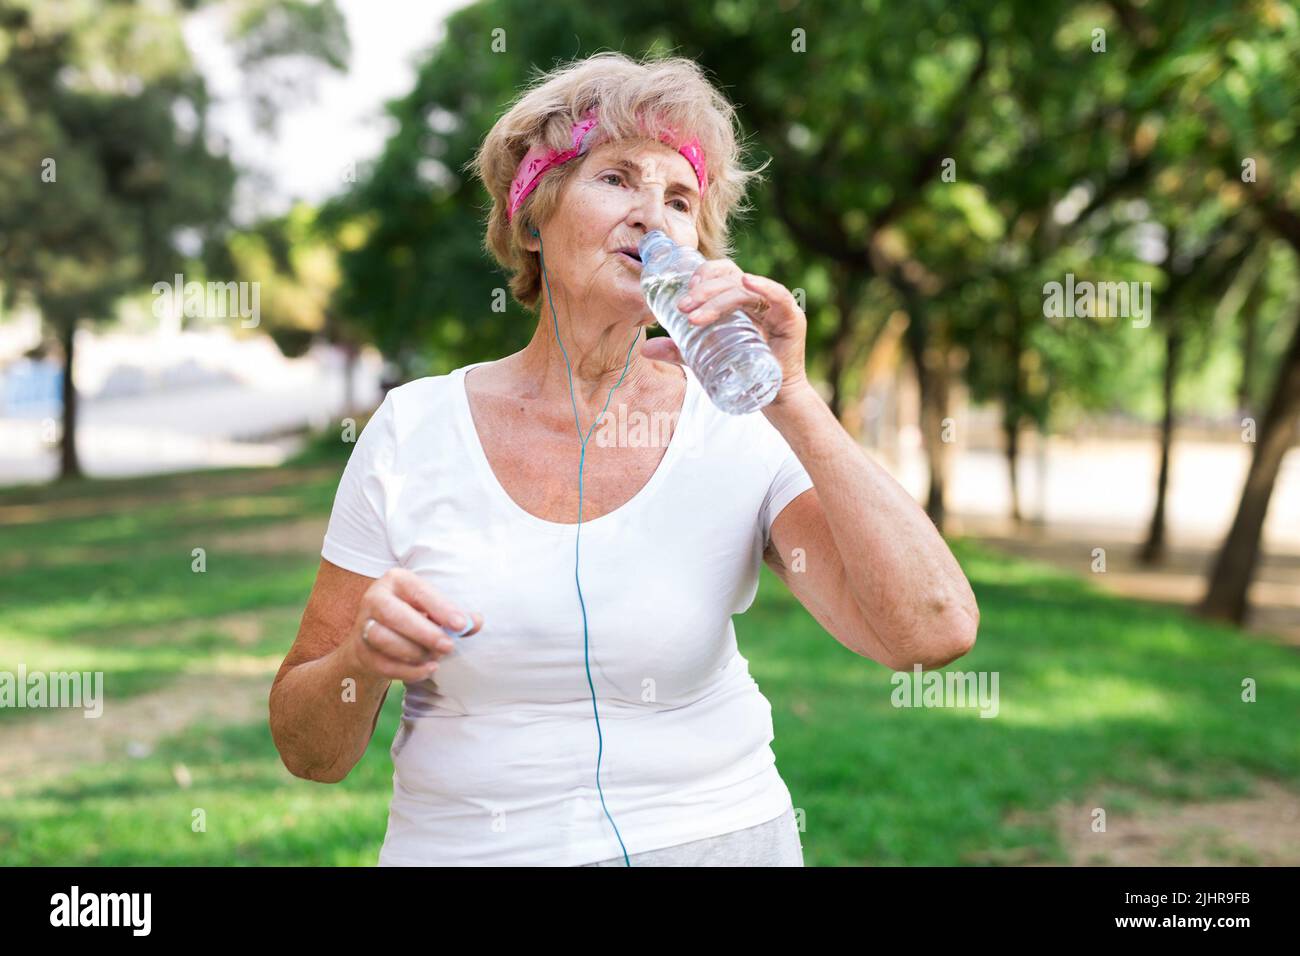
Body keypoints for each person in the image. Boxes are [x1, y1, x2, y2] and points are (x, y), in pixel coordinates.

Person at [269, 51, 980, 867]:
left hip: (715, 842)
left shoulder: (739, 422)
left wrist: (793, 398)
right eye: (616, 179)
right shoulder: (413, 428)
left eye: (680, 198)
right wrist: (361, 657)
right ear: (532, 220)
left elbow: (934, 631)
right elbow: (308, 753)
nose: (654, 216)